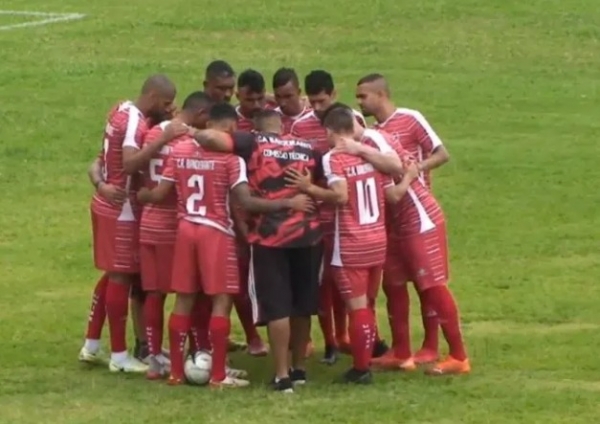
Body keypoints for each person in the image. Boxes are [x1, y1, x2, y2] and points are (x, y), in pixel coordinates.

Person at [139, 104, 313, 388]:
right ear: (231, 128)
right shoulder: (231, 160)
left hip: (185, 229)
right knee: (222, 299)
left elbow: (159, 192)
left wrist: (144, 195)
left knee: (183, 298)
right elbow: (243, 201)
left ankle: (175, 372)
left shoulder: (179, 150)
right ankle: (218, 374)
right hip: (216, 232)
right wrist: (286, 203)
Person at [190, 108, 323, 393]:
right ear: (284, 127)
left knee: (277, 307)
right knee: (302, 306)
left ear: (256, 128)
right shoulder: (308, 147)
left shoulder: (253, 143)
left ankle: (282, 375)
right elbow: (326, 183)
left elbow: (210, 139)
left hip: (270, 237)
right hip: (309, 236)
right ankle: (299, 369)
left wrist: (190, 131)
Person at [285, 106, 416, 384]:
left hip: (350, 243)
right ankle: (364, 359)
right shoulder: (372, 158)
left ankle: (361, 368)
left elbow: (341, 196)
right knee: (366, 305)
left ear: (330, 132)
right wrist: (408, 177)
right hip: (377, 239)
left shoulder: (334, 158)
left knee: (357, 308)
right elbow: (389, 193)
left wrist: (309, 189)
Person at [83, 74, 186, 373]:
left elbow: (99, 159)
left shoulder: (120, 109)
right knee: (121, 277)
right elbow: (128, 163)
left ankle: (91, 344)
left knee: (113, 273)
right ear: (153, 97)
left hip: (109, 202)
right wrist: (164, 138)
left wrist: (100, 183)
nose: (168, 109)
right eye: (166, 104)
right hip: (122, 208)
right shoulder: (134, 122)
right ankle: (119, 356)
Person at [355, 73, 450, 366]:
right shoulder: (372, 132)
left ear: (381, 95)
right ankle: (401, 349)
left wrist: (414, 172)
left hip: (417, 211)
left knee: (426, 283)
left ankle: (432, 346)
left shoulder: (409, 118)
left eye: (363, 96)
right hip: (391, 218)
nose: (359, 101)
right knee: (394, 284)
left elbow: (442, 153)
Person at [290, 71, 383, 364]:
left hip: (347, 229)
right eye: (312, 102)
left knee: (354, 299)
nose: (316, 108)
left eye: (322, 102)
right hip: (366, 229)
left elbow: (340, 194)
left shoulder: (339, 148)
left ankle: (358, 357)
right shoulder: (368, 149)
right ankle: (337, 343)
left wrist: (308, 188)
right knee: (333, 290)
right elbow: (390, 167)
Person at [139, 91, 214, 379]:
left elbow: (142, 172)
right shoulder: (189, 143)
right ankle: (197, 352)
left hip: (148, 224)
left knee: (154, 294)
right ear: (200, 115)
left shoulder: (152, 134)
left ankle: (155, 359)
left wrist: (144, 195)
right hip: (174, 226)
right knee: (189, 295)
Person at [272, 67, 311, 133]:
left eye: (288, 96)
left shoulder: (312, 115)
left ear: (298, 92)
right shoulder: (272, 119)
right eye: (278, 96)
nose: (282, 103)